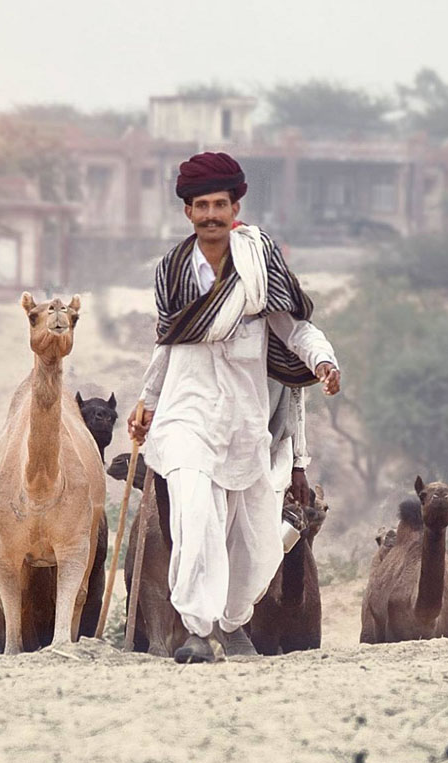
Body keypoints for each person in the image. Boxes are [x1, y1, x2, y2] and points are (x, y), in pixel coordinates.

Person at [128, 152, 340, 663]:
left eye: (219, 205)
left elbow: (293, 328)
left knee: (255, 542)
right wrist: (147, 400)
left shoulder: (259, 265)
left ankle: (233, 621)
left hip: (244, 420)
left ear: (235, 206)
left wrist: (323, 359)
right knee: (195, 513)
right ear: (188, 212)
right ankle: (197, 630)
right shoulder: (174, 271)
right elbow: (168, 346)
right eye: (200, 206)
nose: (210, 216)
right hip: (186, 413)